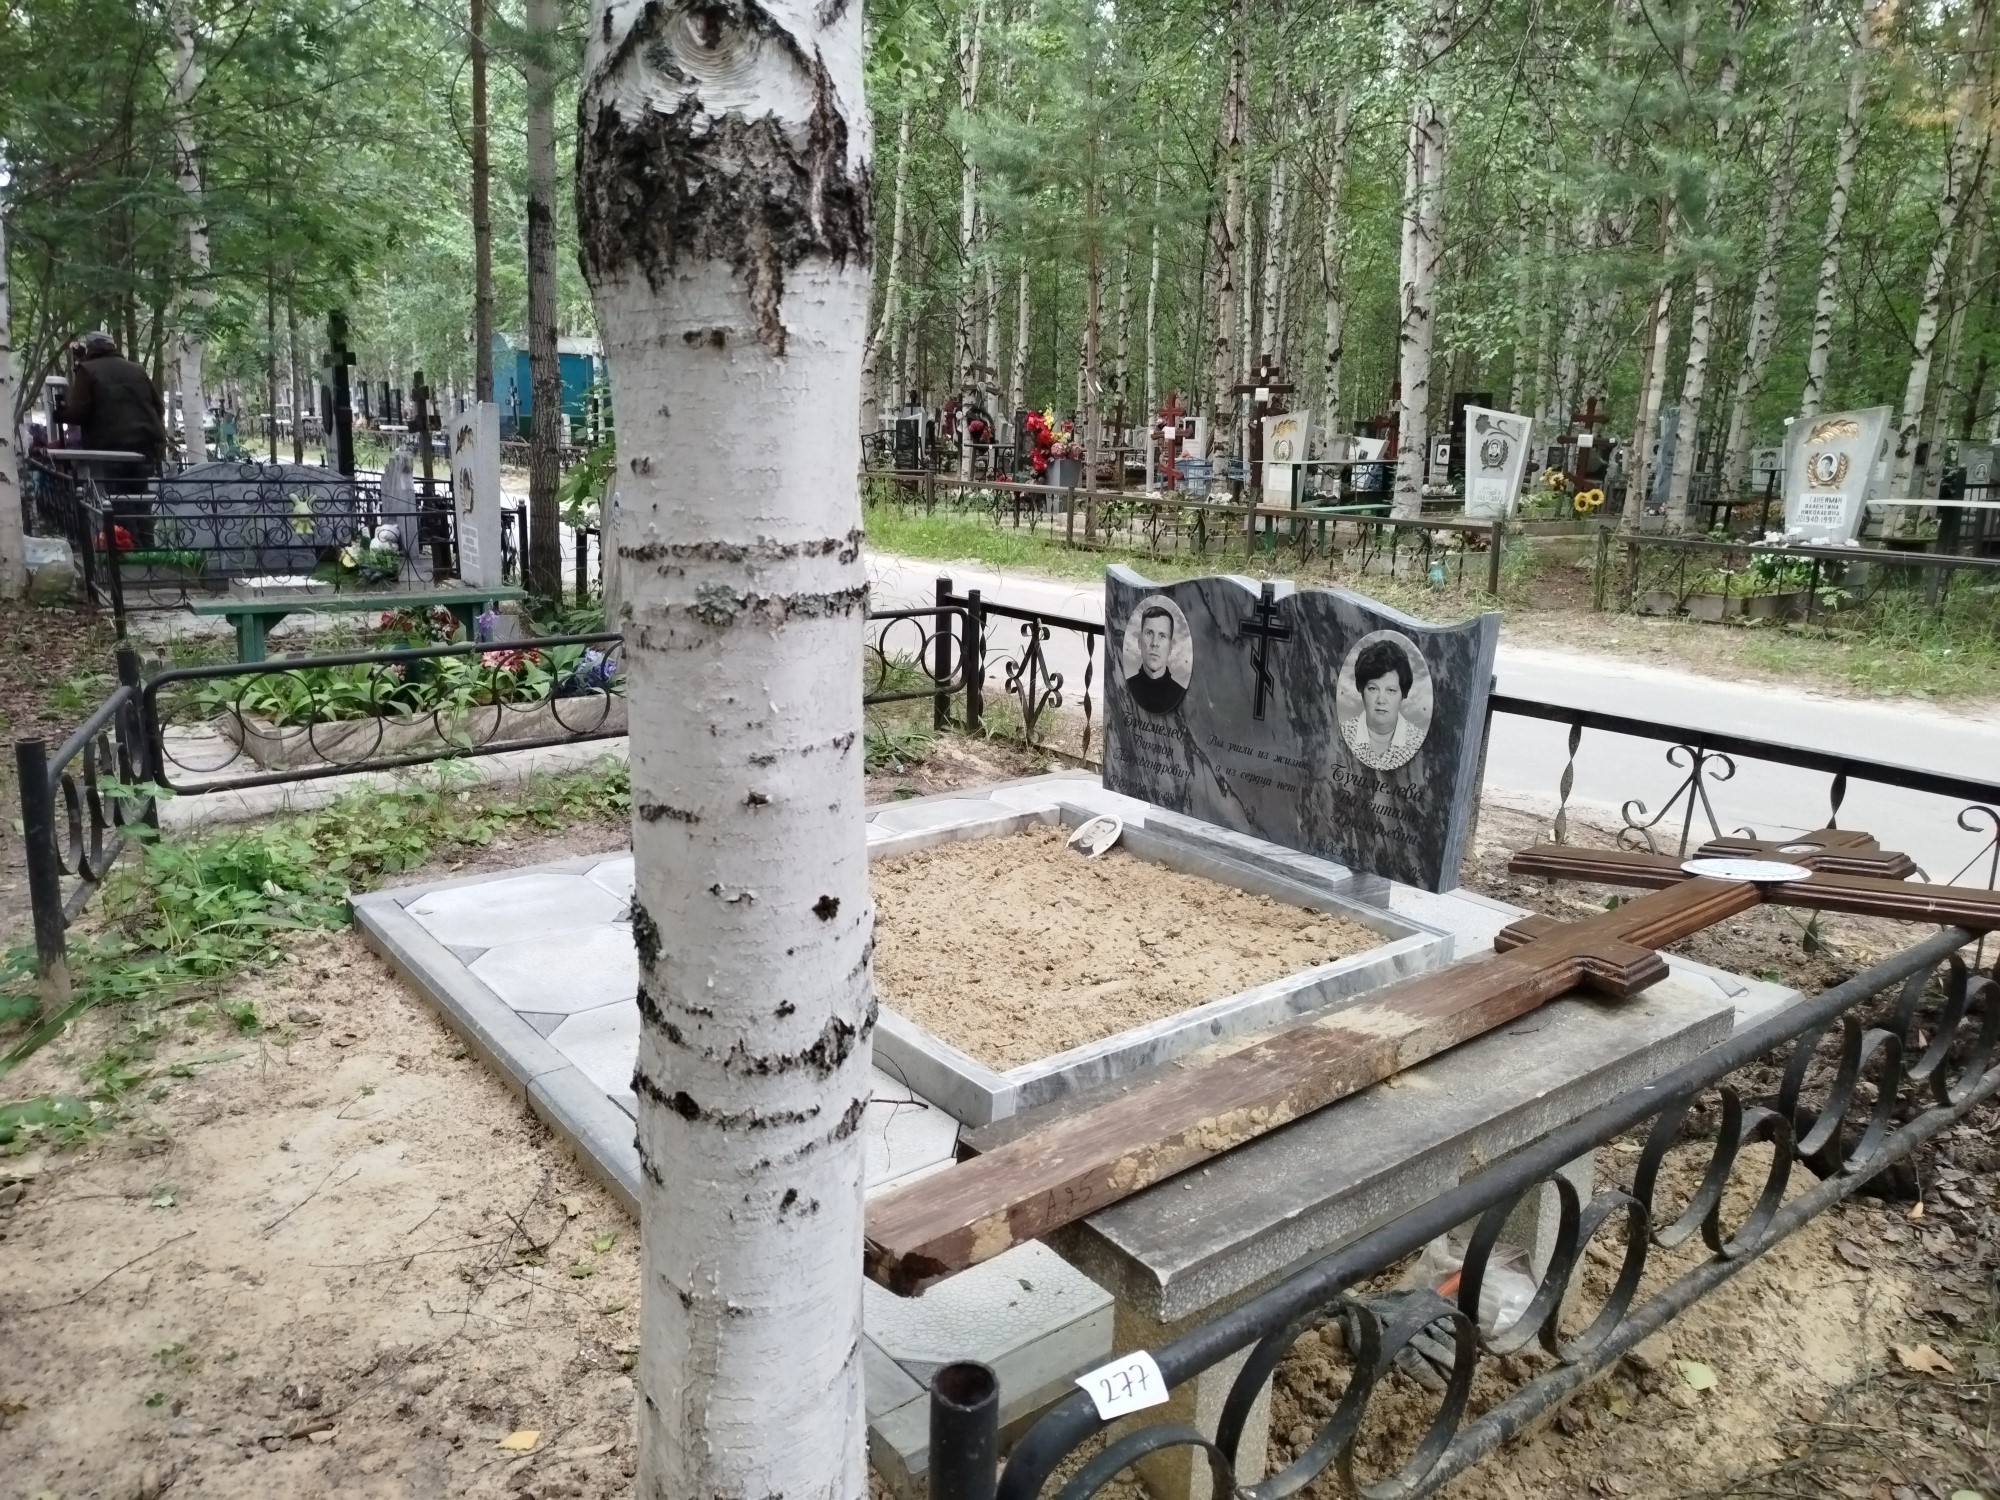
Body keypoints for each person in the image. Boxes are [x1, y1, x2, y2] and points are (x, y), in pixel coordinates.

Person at [65, 331, 169, 541]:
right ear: (113, 346)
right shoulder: (136, 369)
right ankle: (147, 545)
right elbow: (158, 405)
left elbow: (79, 412)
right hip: (144, 446)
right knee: (141, 497)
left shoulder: (87, 370)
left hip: (109, 448)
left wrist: (60, 414)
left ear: (90, 347)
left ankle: (127, 547)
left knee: (117, 499)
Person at [1342, 637, 1424, 770]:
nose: (1381, 700)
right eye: (1373, 689)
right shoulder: (1343, 734)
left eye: (1391, 690)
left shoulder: (1418, 741)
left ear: (1403, 694)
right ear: (1361, 690)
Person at [1125, 604, 1187, 714]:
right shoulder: (1125, 688)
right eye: (1149, 633)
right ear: (1139, 641)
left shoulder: (1180, 694)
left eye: (1162, 636)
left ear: (1170, 646)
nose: (1154, 643)